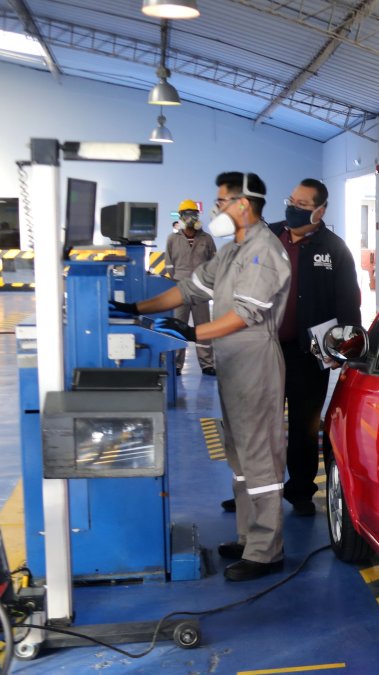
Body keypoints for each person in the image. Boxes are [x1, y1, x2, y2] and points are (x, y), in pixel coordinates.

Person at [111, 172, 291, 582]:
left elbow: (245, 314)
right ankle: (248, 537)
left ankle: (267, 551)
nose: (215, 209)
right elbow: (188, 289)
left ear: (244, 204)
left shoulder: (264, 250)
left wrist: (193, 334)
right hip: (231, 360)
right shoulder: (231, 251)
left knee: (259, 457)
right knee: (239, 456)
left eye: (221, 201)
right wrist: (136, 309)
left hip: (255, 359)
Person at [269, 178, 360, 516]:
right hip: (264, 350)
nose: (293, 208)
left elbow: (348, 303)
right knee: (259, 425)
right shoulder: (268, 237)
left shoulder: (334, 249)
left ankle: (301, 491)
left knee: (304, 427)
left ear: (320, 211)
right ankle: (254, 492)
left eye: (303, 205)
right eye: (291, 201)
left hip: (308, 354)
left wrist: (346, 347)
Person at [165, 199, 217, 376]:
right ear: (180, 216)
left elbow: (214, 263)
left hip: (201, 291)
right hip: (180, 290)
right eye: (186, 214)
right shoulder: (172, 239)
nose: (190, 217)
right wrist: (177, 281)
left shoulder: (206, 239)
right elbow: (169, 264)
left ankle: (207, 364)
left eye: (193, 213)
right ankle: (176, 364)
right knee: (178, 326)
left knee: (203, 327)